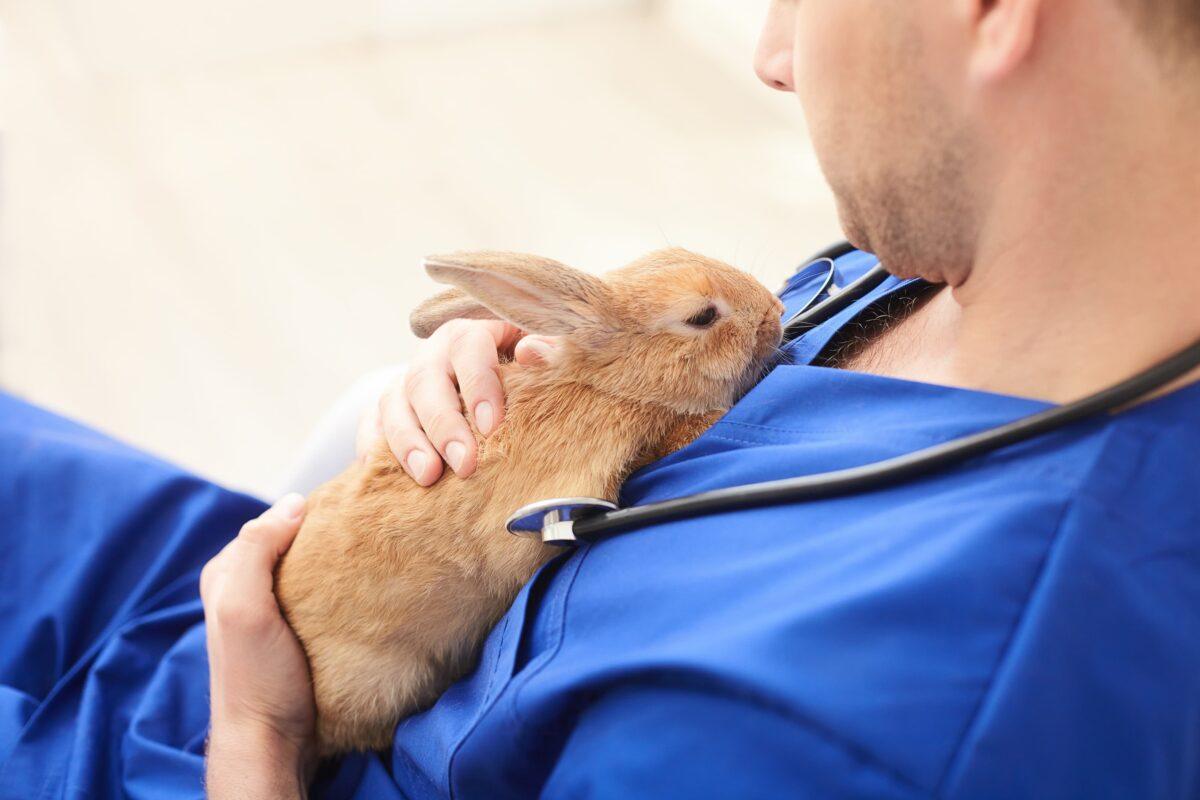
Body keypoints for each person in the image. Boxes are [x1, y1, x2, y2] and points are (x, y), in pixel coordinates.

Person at [1, 0, 1198, 797]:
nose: (773, 54)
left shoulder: (835, 732)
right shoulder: (943, 261)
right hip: (260, 606)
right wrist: (502, 392)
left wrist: (255, 734)